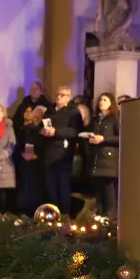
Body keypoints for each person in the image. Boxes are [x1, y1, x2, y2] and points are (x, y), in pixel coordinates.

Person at [42, 85, 81, 215]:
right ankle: (52, 215)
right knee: (50, 187)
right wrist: (42, 131)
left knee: (63, 187)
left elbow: (75, 131)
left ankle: (64, 216)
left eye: (62, 95)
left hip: (63, 154)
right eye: (57, 94)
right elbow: (43, 125)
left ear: (68, 98)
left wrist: (56, 131)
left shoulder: (73, 112)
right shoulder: (49, 111)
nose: (58, 97)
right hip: (49, 152)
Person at [82, 91, 120, 214]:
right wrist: (90, 139)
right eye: (100, 100)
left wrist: (104, 139)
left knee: (108, 192)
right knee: (98, 194)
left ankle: (109, 218)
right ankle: (99, 217)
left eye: (105, 100)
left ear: (111, 103)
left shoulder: (115, 118)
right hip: (96, 160)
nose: (101, 102)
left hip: (109, 161)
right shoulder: (95, 120)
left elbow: (122, 137)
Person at [13, 103, 48, 214]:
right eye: (35, 116)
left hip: (39, 165)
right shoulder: (25, 129)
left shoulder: (45, 131)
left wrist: (38, 155)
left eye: (39, 117)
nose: (36, 118)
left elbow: (48, 148)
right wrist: (22, 154)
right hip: (25, 164)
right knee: (24, 189)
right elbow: (18, 145)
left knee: (37, 191)